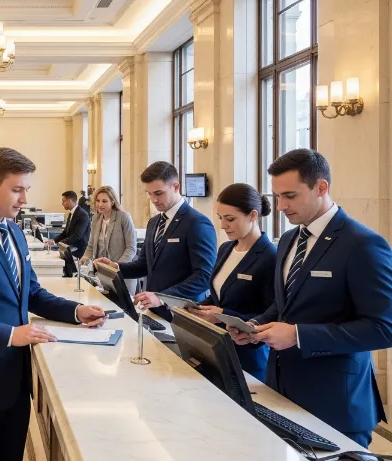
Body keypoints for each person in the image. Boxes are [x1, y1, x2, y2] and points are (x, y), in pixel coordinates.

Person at [0, 147, 107, 461]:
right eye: (17, 190)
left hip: (16, 381)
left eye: (26, 190)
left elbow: (33, 293)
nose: (24, 199)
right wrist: (12, 334)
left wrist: (75, 311)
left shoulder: (14, 232)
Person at [227, 149, 392, 448]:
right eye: (276, 196)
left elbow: (384, 327)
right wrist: (255, 327)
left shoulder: (363, 244)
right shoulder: (290, 239)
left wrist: (298, 335)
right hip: (280, 388)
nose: (280, 206)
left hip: (335, 400)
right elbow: (285, 304)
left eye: (290, 195)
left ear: (321, 188)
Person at [96, 161, 216, 321]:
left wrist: (162, 297)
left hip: (183, 314)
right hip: (154, 311)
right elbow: (144, 265)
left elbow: (204, 276)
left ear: (176, 187)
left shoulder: (196, 222)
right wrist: (116, 267)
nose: (153, 199)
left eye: (159, 193)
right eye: (149, 193)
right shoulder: (154, 223)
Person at [186, 183, 276, 382]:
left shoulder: (270, 256)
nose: (223, 225)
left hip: (248, 354)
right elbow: (219, 296)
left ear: (253, 216)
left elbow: (271, 313)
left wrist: (222, 315)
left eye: (230, 219)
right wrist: (194, 308)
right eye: (220, 218)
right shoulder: (226, 248)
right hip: (216, 346)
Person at [80, 185, 137, 294]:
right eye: (98, 200)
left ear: (113, 202)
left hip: (121, 274)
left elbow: (131, 248)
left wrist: (117, 267)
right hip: (102, 276)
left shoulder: (123, 217)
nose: (100, 204)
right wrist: (83, 260)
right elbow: (91, 246)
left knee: (124, 309)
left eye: (104, 201)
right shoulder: (96, 218)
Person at [45, 191, 90, 261]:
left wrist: (61, 243)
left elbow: (77, 235)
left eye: (63, 201)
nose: (62, 203)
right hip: (71, 248)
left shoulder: (82, 214)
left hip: (79, 251)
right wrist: (53, 241)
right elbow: (66, 232)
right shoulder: (71, 213)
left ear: (69, 201)